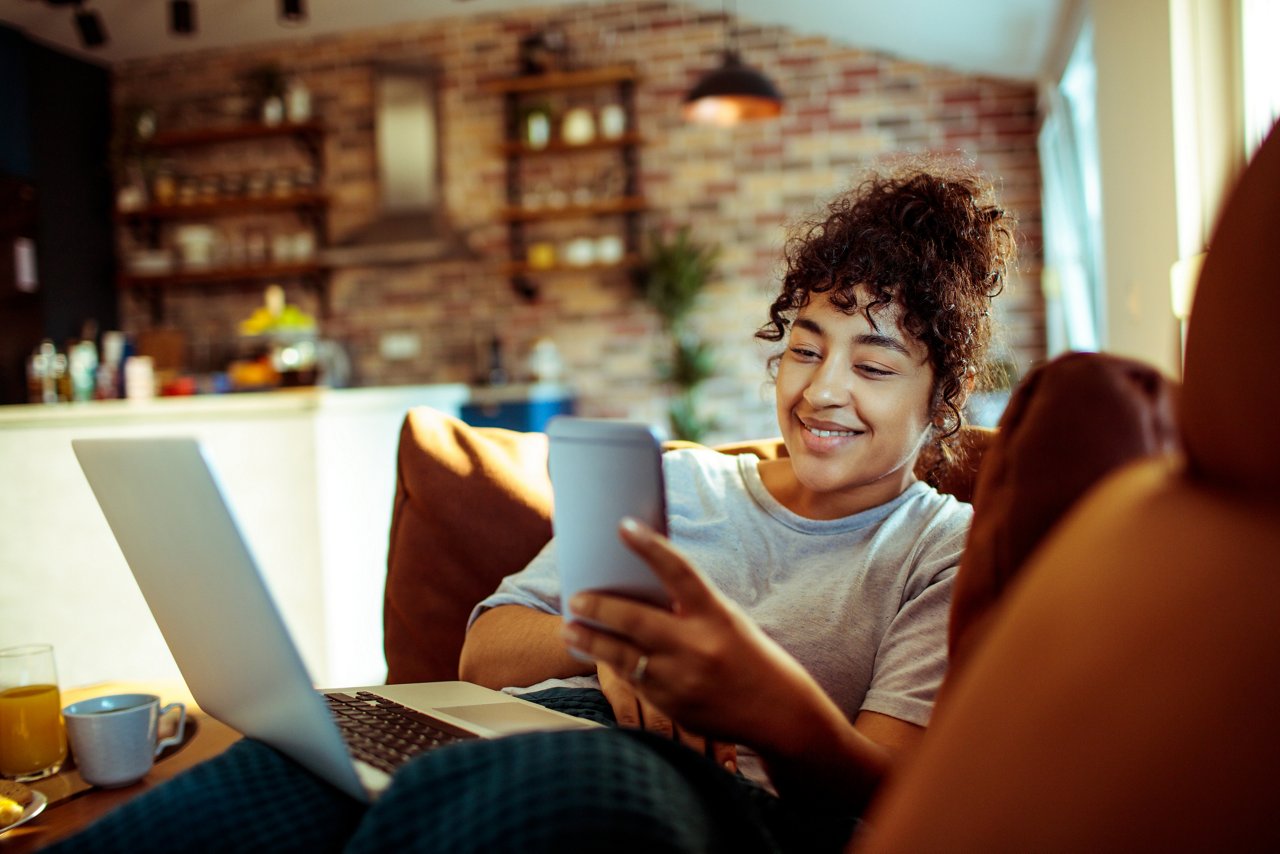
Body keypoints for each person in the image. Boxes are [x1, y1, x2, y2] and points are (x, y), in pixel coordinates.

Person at [47, 157, 1014, 853]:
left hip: (708, 795)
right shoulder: (676, 482)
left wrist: (761, 702)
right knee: (277, 768)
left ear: (940, 398)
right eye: (804, 348)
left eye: (874, 363)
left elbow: (896, 795)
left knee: (555, 793)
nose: (821, 391)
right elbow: (488, 647)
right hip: (520, 727)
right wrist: (615, 643)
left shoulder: (941, 548)